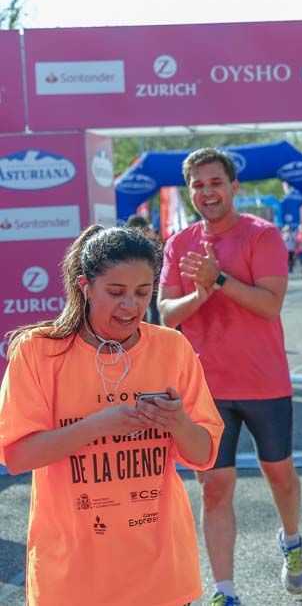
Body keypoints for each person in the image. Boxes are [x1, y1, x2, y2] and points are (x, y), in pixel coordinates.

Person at [0, 225, 224, 606]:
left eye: (142, 293)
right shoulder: (38, 351)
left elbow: (203, 455)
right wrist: (101, 424)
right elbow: (18, 456)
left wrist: (178, 422)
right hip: (72, 579)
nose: (131, 307)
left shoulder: (172, 347)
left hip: (160, 574)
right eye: (116, 293)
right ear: (85, 287)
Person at [158, 148, 302, 606]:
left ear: (233, 186)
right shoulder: (178, 244)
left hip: (264, 382)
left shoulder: (261, 235)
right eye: (198, 185)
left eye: (215, 182)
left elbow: (268, 305)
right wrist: (201, 294)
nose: (207, 192)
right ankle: (225, 590)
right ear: (190, 191)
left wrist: (217, 279)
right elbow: (167, 314)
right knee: (215, 487)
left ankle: (292, 541)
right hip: (205, 388)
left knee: (279, 474)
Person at [126, 214, 163, 326]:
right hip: (147, 282)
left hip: (144, 282)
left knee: (147, 311)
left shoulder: (126, 245)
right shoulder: (148, 244)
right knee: (149, 311)